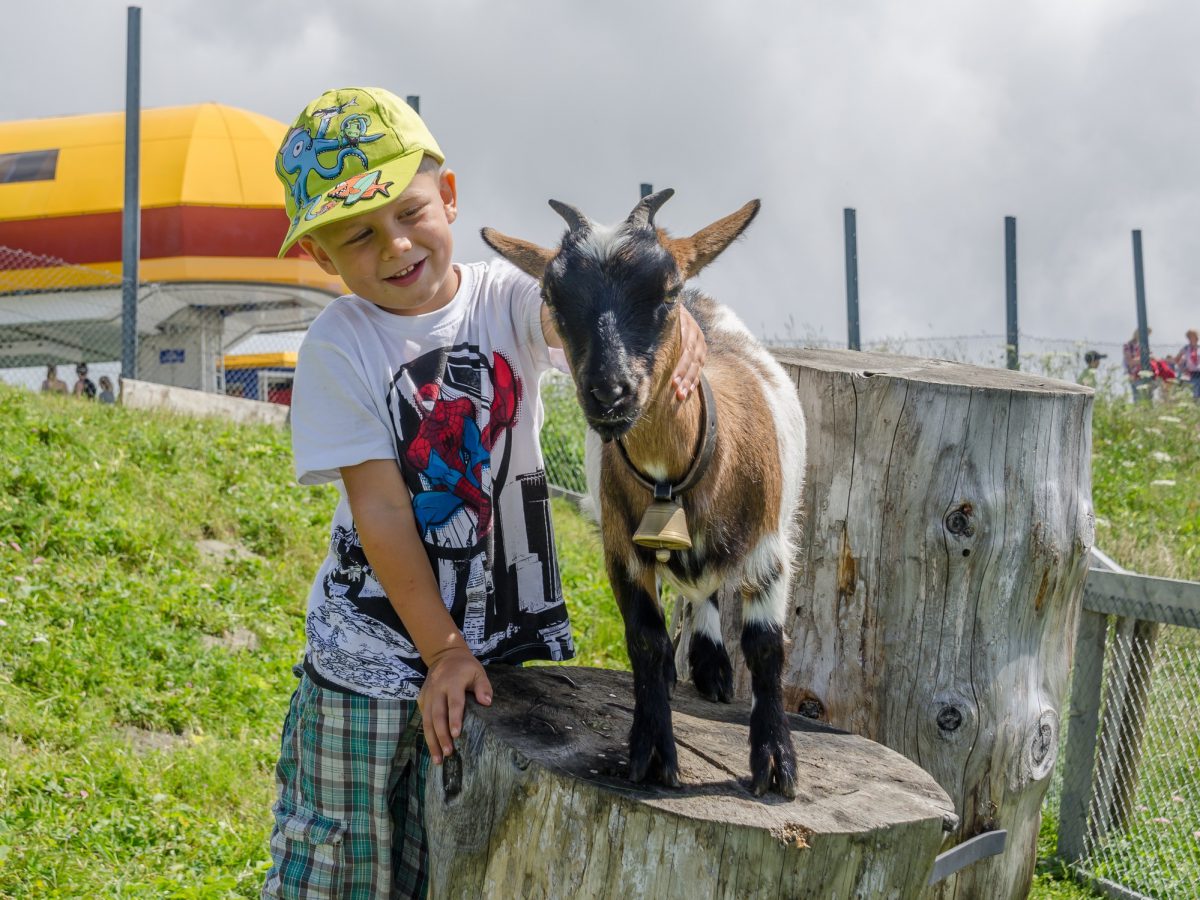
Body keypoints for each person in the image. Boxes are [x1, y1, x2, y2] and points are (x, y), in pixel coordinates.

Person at [261, 87, 708, 899]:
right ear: (323, 258)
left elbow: (604, 305)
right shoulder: (339, 348)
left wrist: (681, 326)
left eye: (408, 213)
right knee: (336, 866)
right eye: (358, 235)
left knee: (458, 859)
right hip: (369, 663)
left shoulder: (504, 299)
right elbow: (385, 509)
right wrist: (441, 650)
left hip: (496, 658)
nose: (395, 245)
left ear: (452, 199)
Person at [1122, 328, 1152, 401]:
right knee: (1138, 399)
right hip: (1134, 376)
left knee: (1147, 399)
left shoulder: (1144, 346)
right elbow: (1130, 362)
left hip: (1145, 376)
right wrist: (1145, 359)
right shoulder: (1128, 345)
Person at [1174, 329, 1200, 401]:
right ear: (1188, 338)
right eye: (1191, 336)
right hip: (1193, 374)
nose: (1195, 337)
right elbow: (1176, 359)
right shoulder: (1185, 348)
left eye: (1196, 335)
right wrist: (1182, 369)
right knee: (1195, 395)